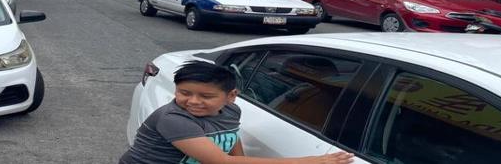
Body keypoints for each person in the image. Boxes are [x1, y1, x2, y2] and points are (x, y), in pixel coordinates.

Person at [119, 61, 354, 164]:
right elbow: (220, 161)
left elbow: (231, 137)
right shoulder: (173, 119)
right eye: (184, 92)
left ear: (230, 96)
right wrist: (312, 161)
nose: (193, 101)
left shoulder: (231, 110)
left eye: (206, 96)